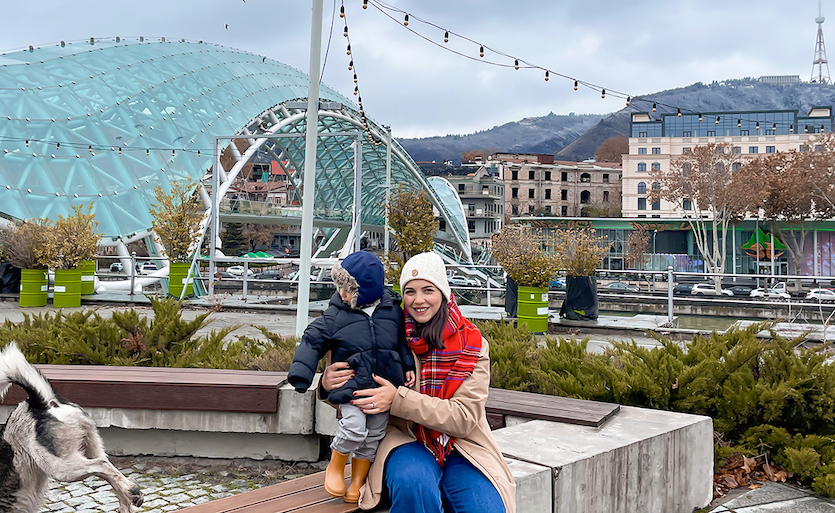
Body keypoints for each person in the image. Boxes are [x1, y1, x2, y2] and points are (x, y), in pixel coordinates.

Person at [321, 251, 516, 513]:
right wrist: (327, 383)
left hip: (462, 444)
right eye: (410, 292)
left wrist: (398, 399)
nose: (419, 300)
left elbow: (463, 418)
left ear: (443, 294)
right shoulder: (386, 334)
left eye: (428, 290)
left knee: (485, 508)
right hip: (404, 438)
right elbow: (356, 398)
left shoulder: (472, 344)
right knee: (414, 486)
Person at [288, 251, 415, 503]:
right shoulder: (336, 314)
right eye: (340, 288)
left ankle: (357, 482)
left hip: (383, 388)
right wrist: (303, 373)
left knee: (373, 437)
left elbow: (400, 342)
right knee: (355, 429)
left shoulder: (392, 311)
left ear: (365, 290)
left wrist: (408, 365)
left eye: (348, 290)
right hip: (352, 389)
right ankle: (335, 465)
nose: (342, 295)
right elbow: (312, 340)